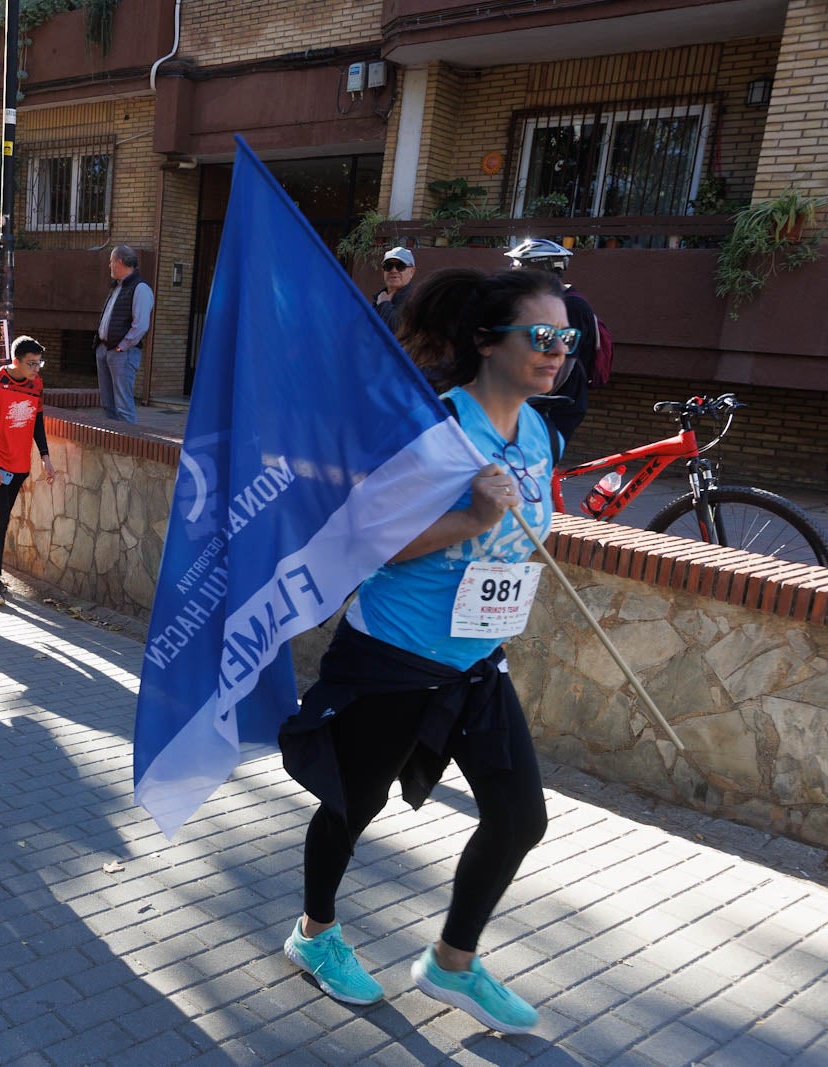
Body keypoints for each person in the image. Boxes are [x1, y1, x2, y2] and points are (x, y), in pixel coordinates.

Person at [277, 267, 571, 1036]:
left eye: (567, 337)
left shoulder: (539, 433)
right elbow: (366, 541)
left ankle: (452, 961)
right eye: (543, 335)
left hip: (476, 660)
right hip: (393, 655)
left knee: (519, 817)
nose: (558, 350)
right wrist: (472, 519)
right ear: (488, 341)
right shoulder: (436, 430)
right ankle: (314, 933)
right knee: (352, 802)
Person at [0, 335, 56, 607]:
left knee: (1, 518)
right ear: (16, 361)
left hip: (19, 464)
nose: (36, 369)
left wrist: (45, 457)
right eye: (31, 363)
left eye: (39, 363)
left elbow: (37, 421)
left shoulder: (36, 384)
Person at [507, 238, 597, 441]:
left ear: (538, 271)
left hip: (557, 404)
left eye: (518, 267)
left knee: (537, 456)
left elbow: (565, 363)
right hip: (544, 401)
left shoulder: (570, 306)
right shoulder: (551, 302)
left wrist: (536, 397)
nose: (514, 272)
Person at [94, 245, 154, 424]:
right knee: (108, 403)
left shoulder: (140, 288)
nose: (109, 265)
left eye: (111, 261)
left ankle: (128, 439)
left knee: (123, 406)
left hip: (123, 353)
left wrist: (122, 346)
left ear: (119, 262)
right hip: (105, 349)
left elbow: (141, 325)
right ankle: (112, 438)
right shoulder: (117, 287)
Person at [374, 246, 417, 333]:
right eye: (388, 266)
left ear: (412, 272)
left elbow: (398, 331)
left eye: (400, 266)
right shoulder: (379, 298)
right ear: (383, 271)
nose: (393, 270)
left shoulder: (416, 300)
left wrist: (384, 304)